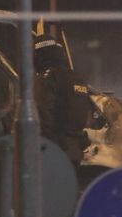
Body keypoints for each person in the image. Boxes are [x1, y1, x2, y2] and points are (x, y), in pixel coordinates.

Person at [33, 33, 92, 166]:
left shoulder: (47, 78)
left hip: (53, 152)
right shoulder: (76, 77)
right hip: (75, 150)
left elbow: (41, 114)